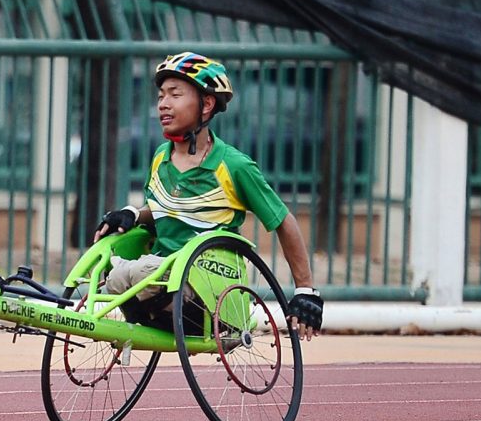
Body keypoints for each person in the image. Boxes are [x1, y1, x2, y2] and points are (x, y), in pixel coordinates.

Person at [93, 52, 323, 340]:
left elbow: (283, 221)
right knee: (110, 274)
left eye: (175, 94)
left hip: (206, 295)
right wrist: (133, 214)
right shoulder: (160, 157)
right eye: (161, 95)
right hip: (160, 283)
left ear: (207, 103)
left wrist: (305, 290)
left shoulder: (234, 166)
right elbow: (169, 209)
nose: (163, 103)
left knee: (140, 273)